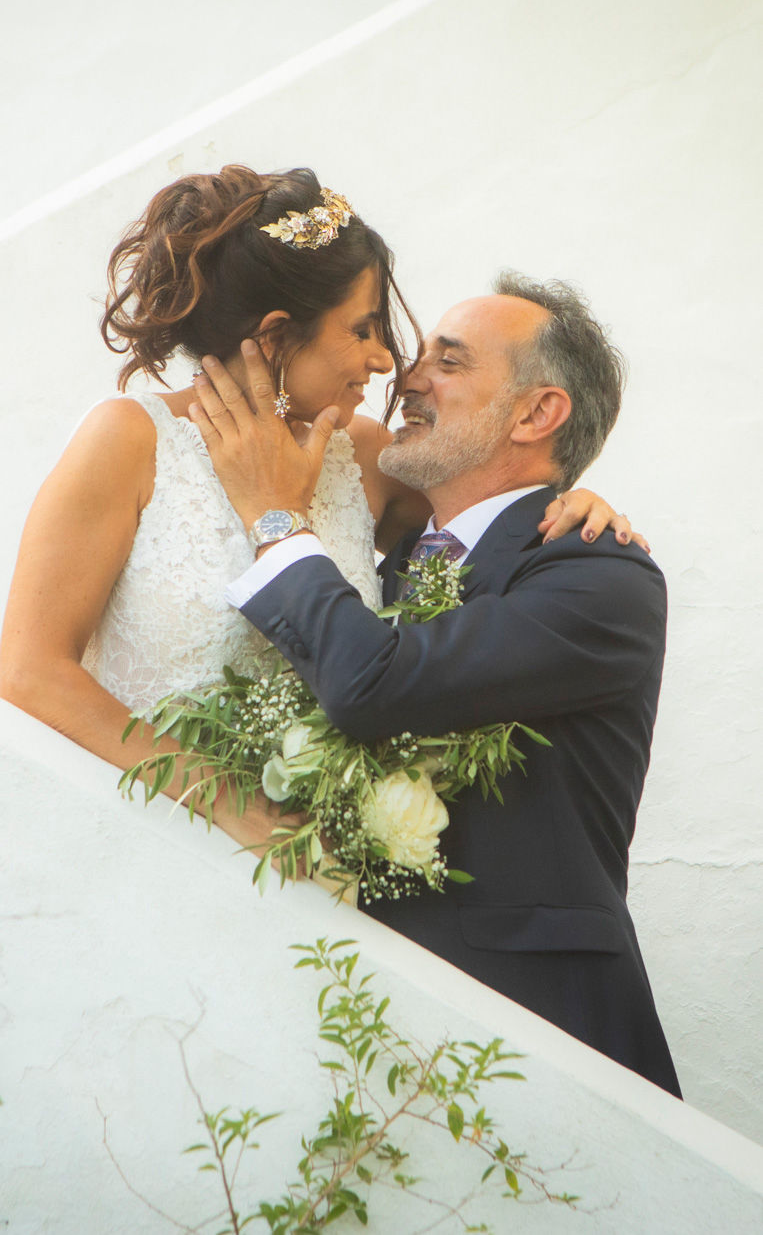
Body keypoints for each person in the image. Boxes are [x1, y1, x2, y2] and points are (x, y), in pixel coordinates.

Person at [0, 165, 643, 865]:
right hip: (161, 838)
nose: (385, 361)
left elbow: (492, 502)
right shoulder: (128, 441)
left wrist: (573, 500)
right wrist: (224, 803)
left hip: (319, 878)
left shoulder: (362, 457)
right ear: (276, 337)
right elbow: (32, 673)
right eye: (363, 329)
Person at [185, 273, 681, 1096]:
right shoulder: (391, 570)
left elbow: (370, 683)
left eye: (445, 363)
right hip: (360, 1024)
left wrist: (274, 517)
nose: (405, 378)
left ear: (535, 414)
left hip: (538, 1029)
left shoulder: (599, 576)